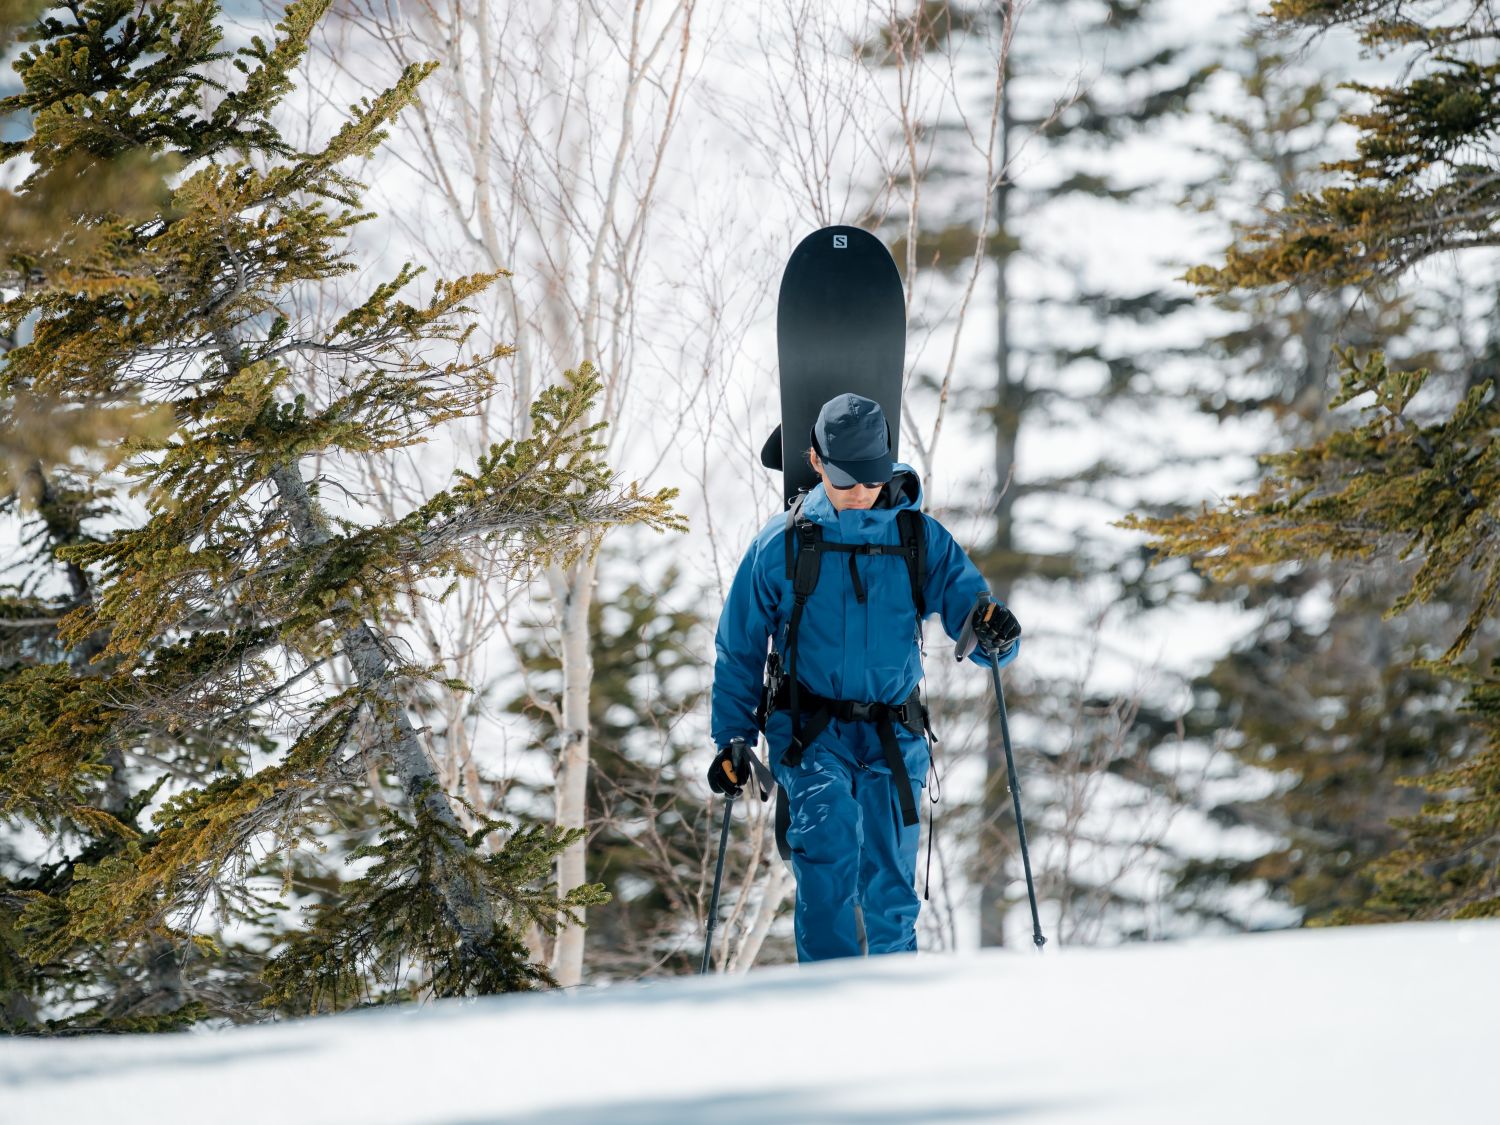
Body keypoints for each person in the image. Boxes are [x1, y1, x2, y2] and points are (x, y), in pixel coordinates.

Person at [709, 392, 1021, 962]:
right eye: (847, 479)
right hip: (810, 732)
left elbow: (973, 618)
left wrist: (994, 631)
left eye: (872, 479)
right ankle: (829, 1004)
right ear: (817, 461)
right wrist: (733, 737)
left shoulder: (918, 539)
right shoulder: (780, 544)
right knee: (827, 859)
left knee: (891, 890)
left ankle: (893, 1005)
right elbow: (740, 648)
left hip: (894, 734)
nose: (861, 492)